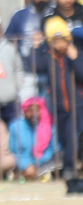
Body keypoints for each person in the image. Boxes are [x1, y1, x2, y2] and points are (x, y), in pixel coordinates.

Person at [34, 16, 83, 179]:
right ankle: (68, 165)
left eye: (63, 40)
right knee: (64, 138)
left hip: (76, 105)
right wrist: (37, 47)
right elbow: (37, 66)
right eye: (56, 42)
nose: (60, 45)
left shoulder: (74, 54)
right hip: (58, 106)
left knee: (72, 137)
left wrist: (75, 58)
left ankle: (69, 168)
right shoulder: (48, 57)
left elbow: (81, 74)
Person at [5, 0, 55, 97]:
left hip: (51, 69)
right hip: (26, 72)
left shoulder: (55, 13)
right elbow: (8, 39)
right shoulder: (20, 16)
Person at [9, 97, 58, 180]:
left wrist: (38, 162)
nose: (33, 114)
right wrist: (26, 165)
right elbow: (13, 152)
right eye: (29, 111)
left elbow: (53, 149)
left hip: (45, 163)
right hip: (23, 164)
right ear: (24, 111)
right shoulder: (16, 126)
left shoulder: (49, 126)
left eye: (36, 110)